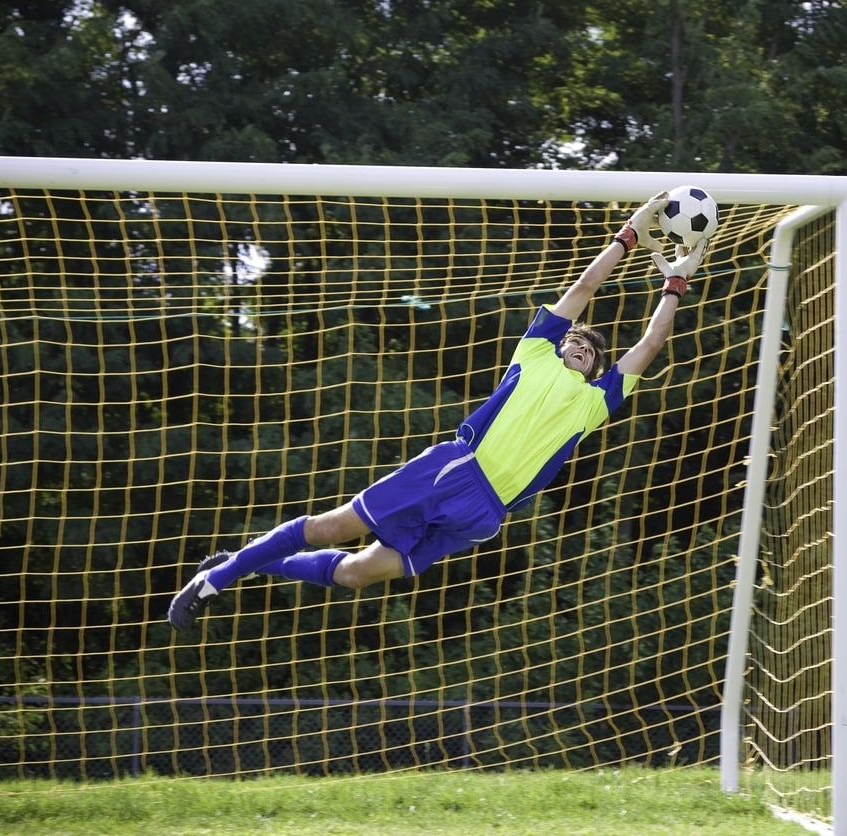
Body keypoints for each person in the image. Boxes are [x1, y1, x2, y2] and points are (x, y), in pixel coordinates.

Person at [168, 192, 709, 631]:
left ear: (595, 370)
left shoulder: (595, 403)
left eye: (591, 350)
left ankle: (243, 564)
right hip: (454, 469)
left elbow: (652, 342)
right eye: (575, 340)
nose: (580, 345)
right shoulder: (534, 354)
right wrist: (628, 235)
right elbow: (587, 286)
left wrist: (676, 282)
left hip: (486, 513)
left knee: (360, 573)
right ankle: (214, 581)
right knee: (334, 528)